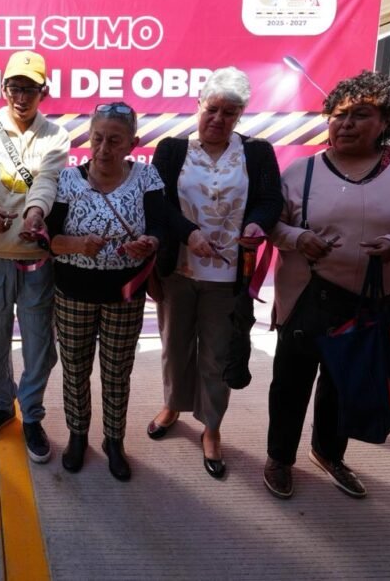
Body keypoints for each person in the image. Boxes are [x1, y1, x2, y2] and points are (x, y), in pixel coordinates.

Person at [264, 71, 390, 500]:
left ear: (385, 122)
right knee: (290, 382)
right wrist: (298, 238)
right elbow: (274, 224)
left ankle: (329, 453)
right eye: (338, 115)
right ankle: (279, 457)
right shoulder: (302, 171)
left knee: (346, 382)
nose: (345, 124)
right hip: (305, 296)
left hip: (376, 301)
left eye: (360, 115)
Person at [148, 67, 283, 479]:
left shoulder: (256, 152)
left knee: (217, 353)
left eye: (229, 112)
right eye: (212, 109)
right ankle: (173, 405)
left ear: (240, 115)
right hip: (179, 269)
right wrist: (187, 233)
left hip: (228, 276)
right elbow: (158, 203)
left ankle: (211, 425)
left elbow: (269, 200)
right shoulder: (172, 150)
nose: (218, 119)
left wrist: (257, 224)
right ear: (198, 107)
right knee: (175, 346)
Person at [46, 102, 167, 481]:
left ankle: (114, 440)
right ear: (88, 137)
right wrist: (77, 245)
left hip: (124, 295)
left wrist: (150, 242)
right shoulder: (67, 179)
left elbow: (161, 225)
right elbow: (48, 240)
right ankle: (77, 435)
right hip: (73, 292)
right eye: (97, 138)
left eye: (115, 141)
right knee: (75, 369)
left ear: (133, 143)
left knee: (117, 372)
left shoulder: (147, 177)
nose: (103, 149)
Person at [0, 50, 70, 463]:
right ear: (3, 88)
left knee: (39, 343)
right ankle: (1, 404)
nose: (21, 97)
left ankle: (31, 414)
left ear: (44, 91)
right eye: (15, 87)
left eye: (30, 89)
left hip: (36, 255)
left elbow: (48, 180)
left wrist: (35, 213)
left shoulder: (56, 136)